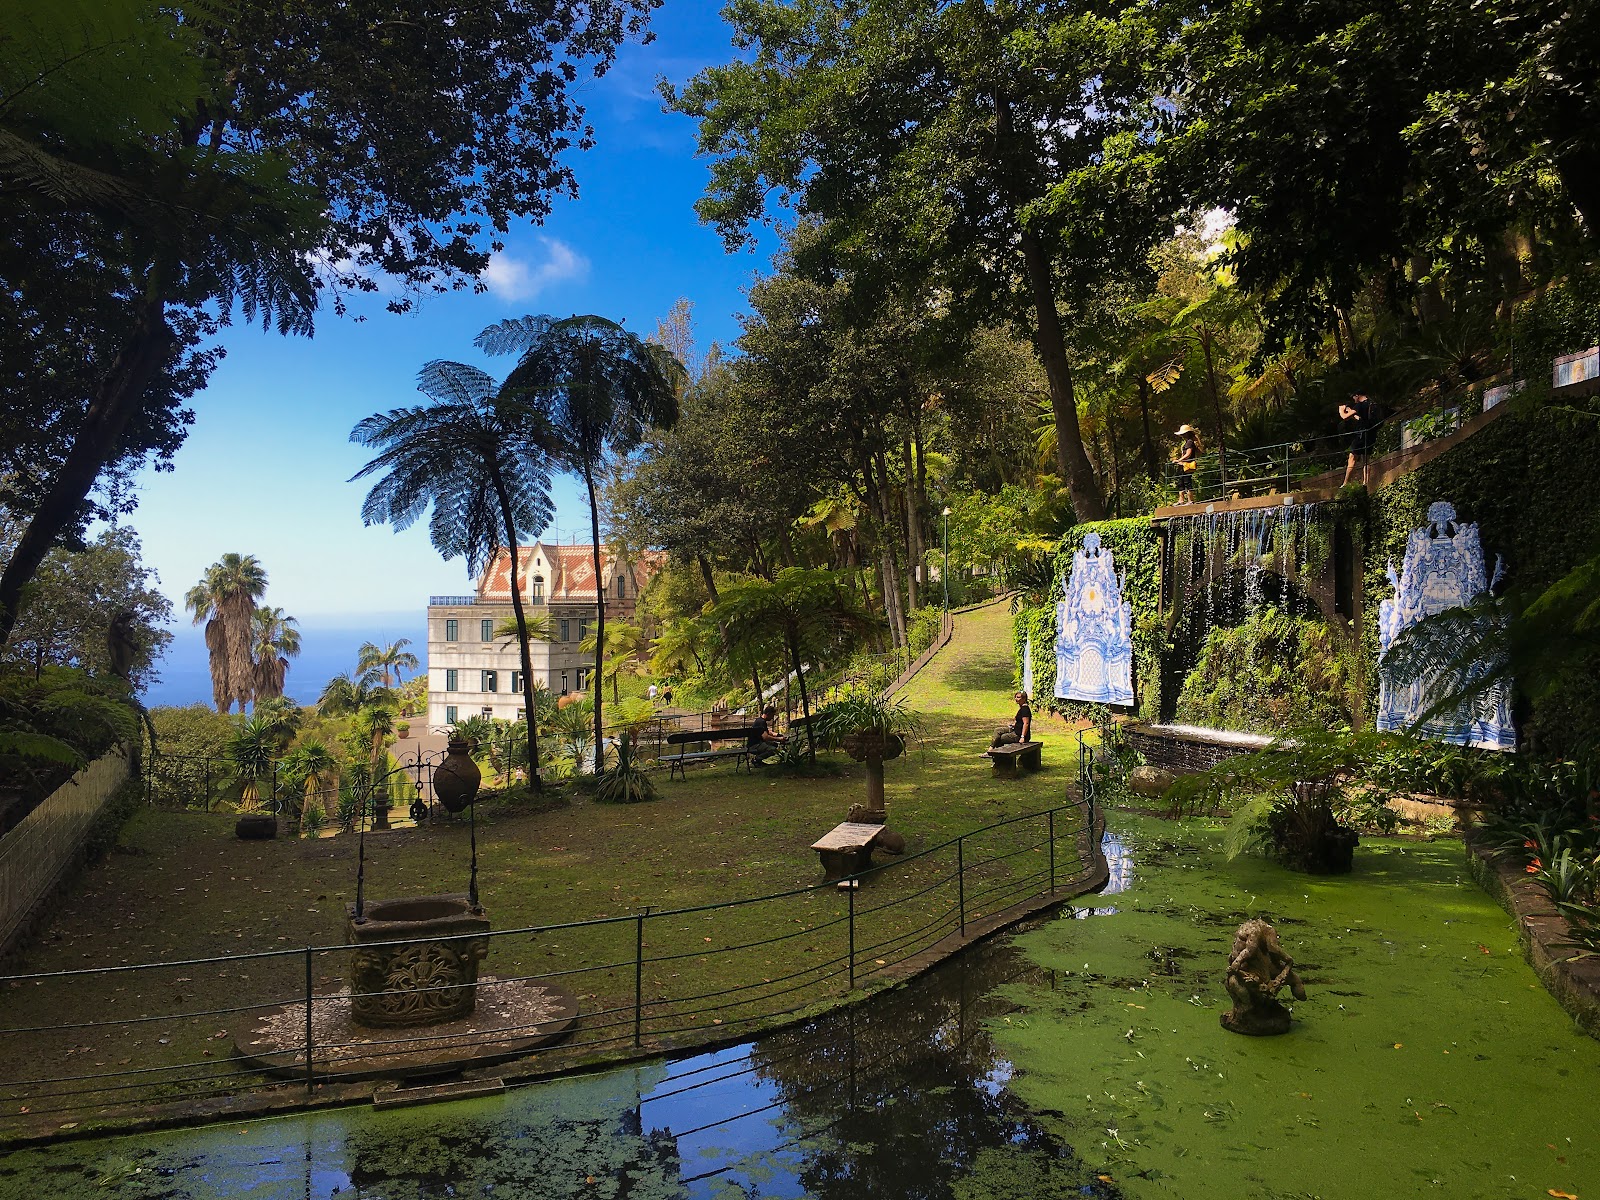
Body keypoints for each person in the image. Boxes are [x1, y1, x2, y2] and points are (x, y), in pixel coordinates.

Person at [1339, 392, 1374, 486]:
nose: (1353, 399)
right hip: (1370, 433)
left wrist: (1341, 410)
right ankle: (1366, 482)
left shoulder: (1360, 405)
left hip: (1361, 435)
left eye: (1353, 397)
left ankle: (1345, 484)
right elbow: (1361, 419)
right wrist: (1352, 411)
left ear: (1357, 395)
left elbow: (1345, 417)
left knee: (1352, 457)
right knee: (1366, 459)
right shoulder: (1370, 403)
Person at [1172, 425, 1203, 503]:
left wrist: (1179, 460)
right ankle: (1181, 500)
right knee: (1181, 482)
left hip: (1187, 465)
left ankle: (1190, 500)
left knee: (1187, 482)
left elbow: (1188, 454)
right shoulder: (1187, 442)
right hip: (1183, 465)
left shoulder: (1189, 442)